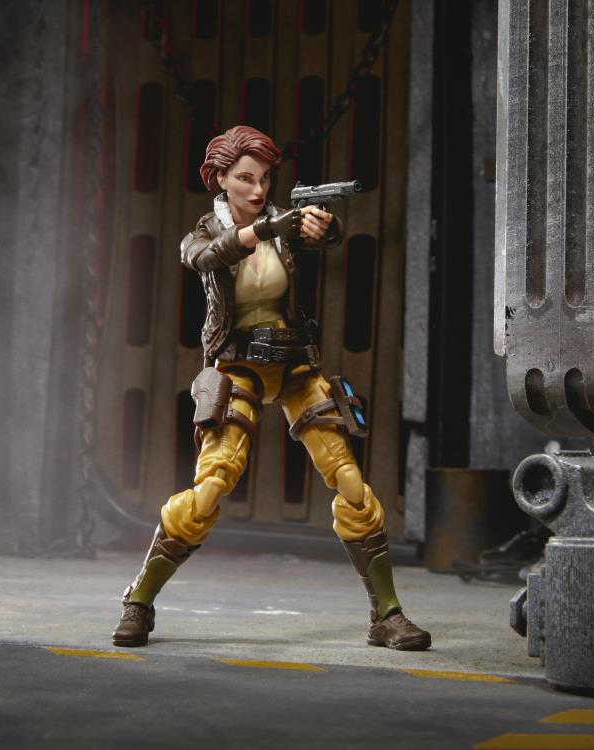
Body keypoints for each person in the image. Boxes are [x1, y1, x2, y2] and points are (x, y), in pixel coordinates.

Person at [112, 125, 430, 651]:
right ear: (220, 179)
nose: (258, 189)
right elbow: (204, 258)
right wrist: (265, 228)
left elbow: (326, 238)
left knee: (351, 484)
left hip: (294, 363)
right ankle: (139, 601)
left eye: (264, 179)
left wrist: (322, 225)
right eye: (245, 179)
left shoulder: (282, 225)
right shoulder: (203, 233)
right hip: (237, 365)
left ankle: (388, 614)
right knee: (211, 486)